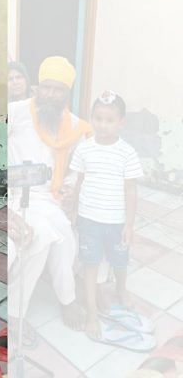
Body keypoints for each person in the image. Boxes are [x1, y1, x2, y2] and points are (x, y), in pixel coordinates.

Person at [7, 56, 92, 331]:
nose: (51, 95)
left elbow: (76, 167)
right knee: (39, 236)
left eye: (59, 90)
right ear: (37, 87)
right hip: (14, 192)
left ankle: (67, 299)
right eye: (46, 87)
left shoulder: (75, 126)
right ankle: (16, 312)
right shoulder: (16, 111)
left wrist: (70, 188)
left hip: (47, 195)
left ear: (68, 93)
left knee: (66, 237)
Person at [69, 91, 153, 349]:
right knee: (91, 264)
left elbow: (131, 190)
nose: (102, 125)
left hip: (116, 221)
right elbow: (78, 182)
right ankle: (93, 314)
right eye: (98, 118)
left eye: (109, 120)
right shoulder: (84, 148)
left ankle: (121, 289)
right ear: (92, 119)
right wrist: (73, 210)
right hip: (89, 219)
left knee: (120, 260)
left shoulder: (126, 153)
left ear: (121, 123)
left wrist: (129, 223)